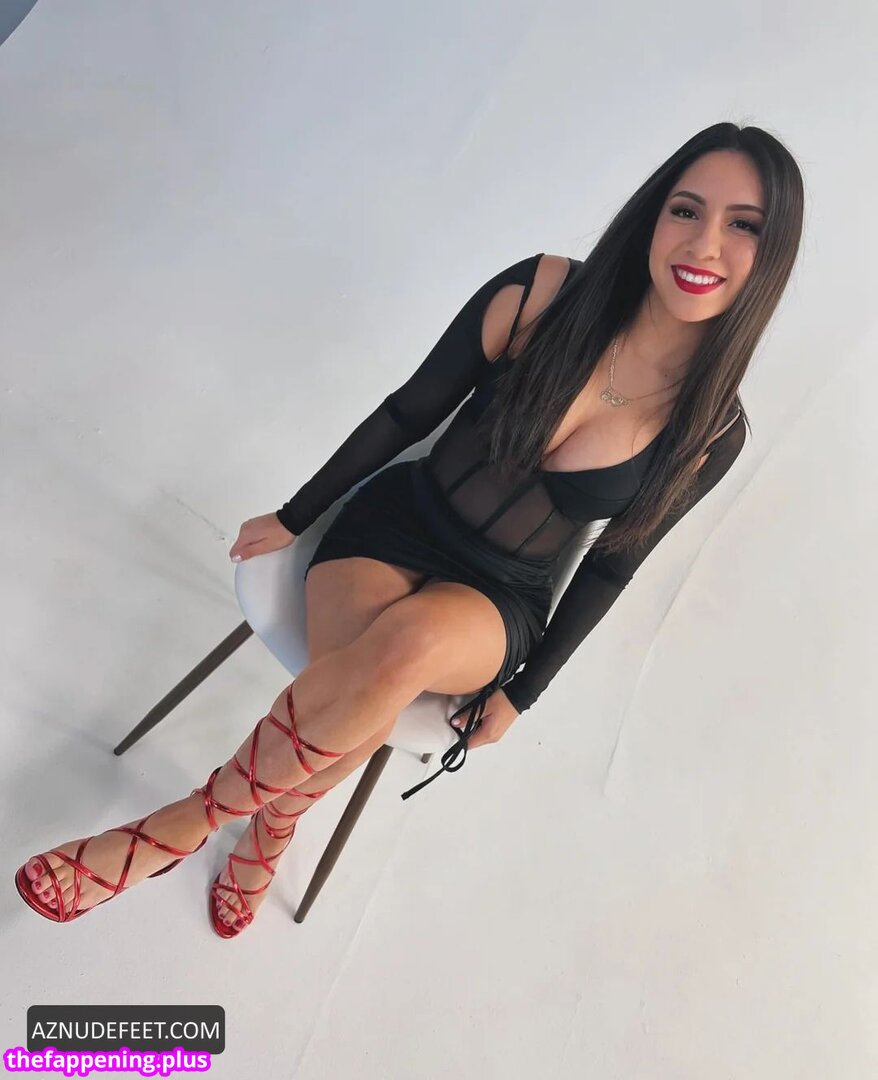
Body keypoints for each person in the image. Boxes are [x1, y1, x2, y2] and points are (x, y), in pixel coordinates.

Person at [14, 122, 804, 937]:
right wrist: (295, 514)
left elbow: (611, 565)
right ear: (653, 215)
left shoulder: (712, 432)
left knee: (406, 649)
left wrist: (523, 696)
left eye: (744, 224)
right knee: (361, 697)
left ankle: (174, 829)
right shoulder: (540, 293)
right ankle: (273, 827)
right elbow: (408, 412)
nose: (705, 243)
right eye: (686, 210)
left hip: (503, 596)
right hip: (397, 526)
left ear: (772, 252)